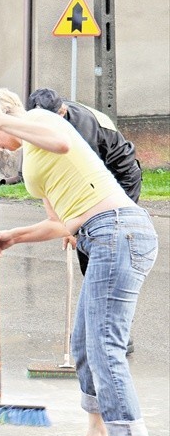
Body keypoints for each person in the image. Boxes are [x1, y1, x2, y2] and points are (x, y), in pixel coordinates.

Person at [0, 88, 159, 436]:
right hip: (100, 234)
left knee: (105, 345)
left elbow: (63, 140)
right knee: (84, 345)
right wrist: (12, 237)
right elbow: (61, 224)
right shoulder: (32, 155)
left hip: (118, 231)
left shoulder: (43, 120)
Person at [28, 87, 143, 354]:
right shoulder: (40, 126)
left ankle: (117, 336)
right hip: (94, 187)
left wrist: (71, 226)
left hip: (120, 181)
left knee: (107, 258)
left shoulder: (80, 129)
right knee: (90, 258)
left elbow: (84, 185)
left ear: (63, 111)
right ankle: (100, 330)